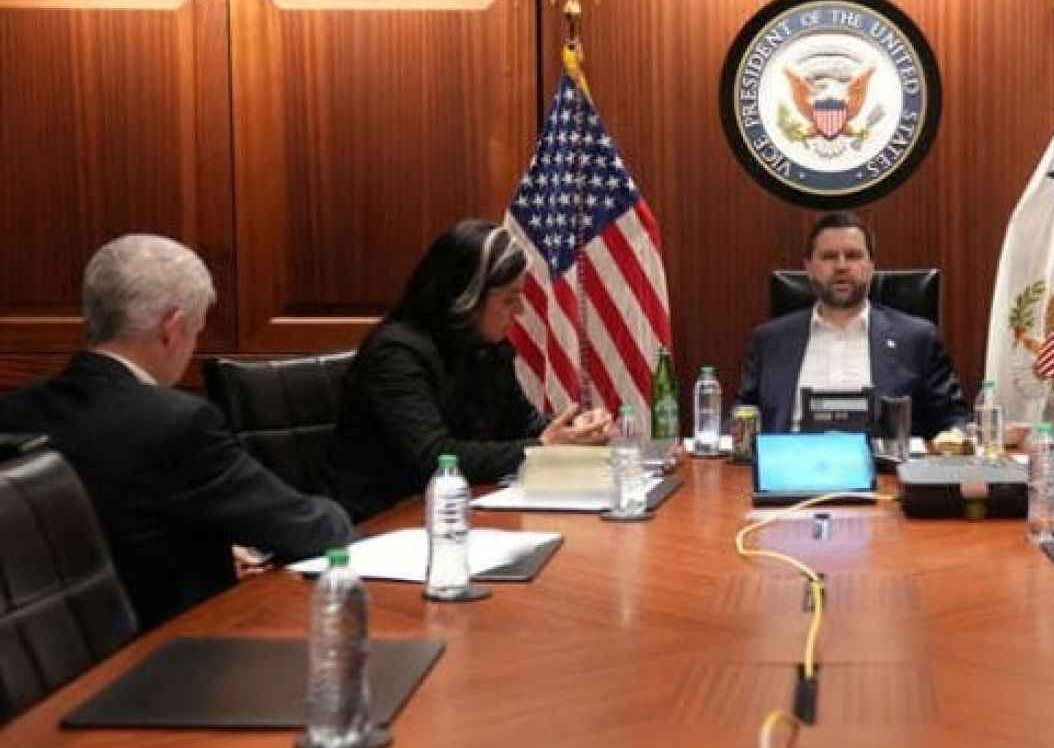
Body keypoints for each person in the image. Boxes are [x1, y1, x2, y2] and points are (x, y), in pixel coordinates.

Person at [0, 235, 353, 630]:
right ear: (172, 328)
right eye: (196, 331)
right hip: (174, 643)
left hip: (54, 648)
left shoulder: (13, 411)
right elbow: (311, 531)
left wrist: (208, 547)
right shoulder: (178, 423)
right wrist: (339, 515)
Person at [324, 219, 612, 522]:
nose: (520, 311)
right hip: (381, 520)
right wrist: (541, 447)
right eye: (509, 299)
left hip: (455, 511)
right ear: (465, 298)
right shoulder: (395, 354)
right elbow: (434, 457)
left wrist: (576, 431)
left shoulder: (485, 348)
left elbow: (522, 423)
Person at [737, 211, 969, 439]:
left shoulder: (916, 339)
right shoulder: (769, 340)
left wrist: (953, 439)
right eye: (829, 256)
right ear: (808, 267)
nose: (841, 266)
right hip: (791, 461)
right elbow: (741, 417)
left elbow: (955, 421)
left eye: (853, 256)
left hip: (883, 462)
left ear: (871, 265)